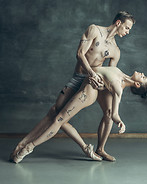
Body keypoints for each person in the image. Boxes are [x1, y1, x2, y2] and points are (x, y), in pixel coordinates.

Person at [10, 11, 135, 162]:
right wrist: (91, 73)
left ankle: (99, 149)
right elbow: (80, 54)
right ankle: (23, 145)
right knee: (55, 113)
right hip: (80, 77)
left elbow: (109, 73)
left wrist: (103, 86)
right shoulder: (94, 29)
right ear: (118, 23)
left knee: (103, 113)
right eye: (127, 28)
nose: (128, 32)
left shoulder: (116, 51)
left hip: (92, 83)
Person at [13, 59, 147, 163]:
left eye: (143, 77)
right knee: (58, 117)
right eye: (146, 76)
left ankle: (29, 148)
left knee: (58, 120)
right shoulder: (124, 75)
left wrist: (120, 122)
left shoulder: (119, 88)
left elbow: (115, 112)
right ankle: (26, 146)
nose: (145, 74)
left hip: (89, 92)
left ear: (138, 85)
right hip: (85, 83)